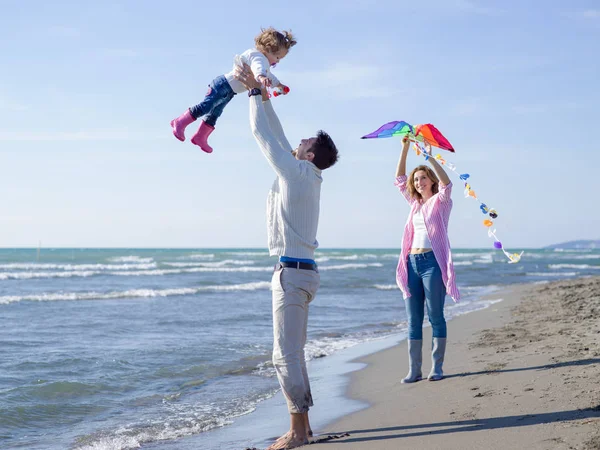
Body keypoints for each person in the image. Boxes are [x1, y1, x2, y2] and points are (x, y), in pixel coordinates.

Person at [235, 63, 339, 450]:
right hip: (300, 272)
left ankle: (298, 431)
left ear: (309, 155)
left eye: (303, 142)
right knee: (292, 353)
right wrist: (262, 95)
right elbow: (277, 135)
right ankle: (303, 426)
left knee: (285, 356)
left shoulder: (298, 174)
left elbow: (265, 138)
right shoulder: (306, 175)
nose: (297, 142)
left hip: (293, 274)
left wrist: (251, 96)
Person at [394, 135, 460, 383]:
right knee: (413, 319)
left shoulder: (441, 203)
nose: (418, 182)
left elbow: (448, 184)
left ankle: (437, 367)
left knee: (435, 315)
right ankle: (414, 370)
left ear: (431, 181)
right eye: (416, 179)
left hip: (433, 263)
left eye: (422, 178)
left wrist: (428, 155)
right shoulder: (414, 204)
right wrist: (405, 149)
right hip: (411, 263)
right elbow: (399, 180)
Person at [170, 27, 296, 153]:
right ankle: (180, 122)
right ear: (269, 49)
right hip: (222, 85)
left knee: (215, 113)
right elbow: (259, 69)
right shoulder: (258, 57)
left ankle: (200, 136)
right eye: (278, 57)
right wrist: (261, 77)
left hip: (229, 91)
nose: (278, 61)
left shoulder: (262, 61)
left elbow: (268, 74)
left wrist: (278, 84)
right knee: (206, 107)